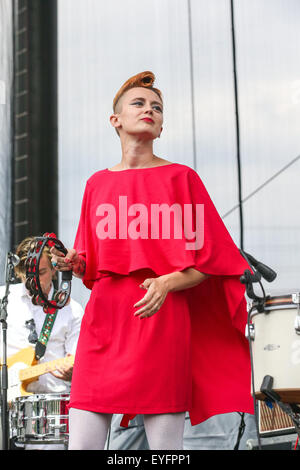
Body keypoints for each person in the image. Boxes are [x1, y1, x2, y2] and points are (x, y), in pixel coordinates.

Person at [51, 71, 254, 450]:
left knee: (165, 452)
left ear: (161, 127)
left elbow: (209, 261)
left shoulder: (182, 179)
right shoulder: (96, 184)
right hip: (104, 322)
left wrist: (166, 282)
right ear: (116, 120)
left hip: (161, 319)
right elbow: (92, 269)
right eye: (140, 103)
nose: (150, 110)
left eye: (157, 107)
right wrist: (75, 263)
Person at [0, 236, 84, 450]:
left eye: (41, 273)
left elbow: (78, 362)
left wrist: (74, 370)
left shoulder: (71, 310)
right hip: (5, 408)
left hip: (50, 411)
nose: (33, 280)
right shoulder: (4, 298)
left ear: (55, 270)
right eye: (27, 274)